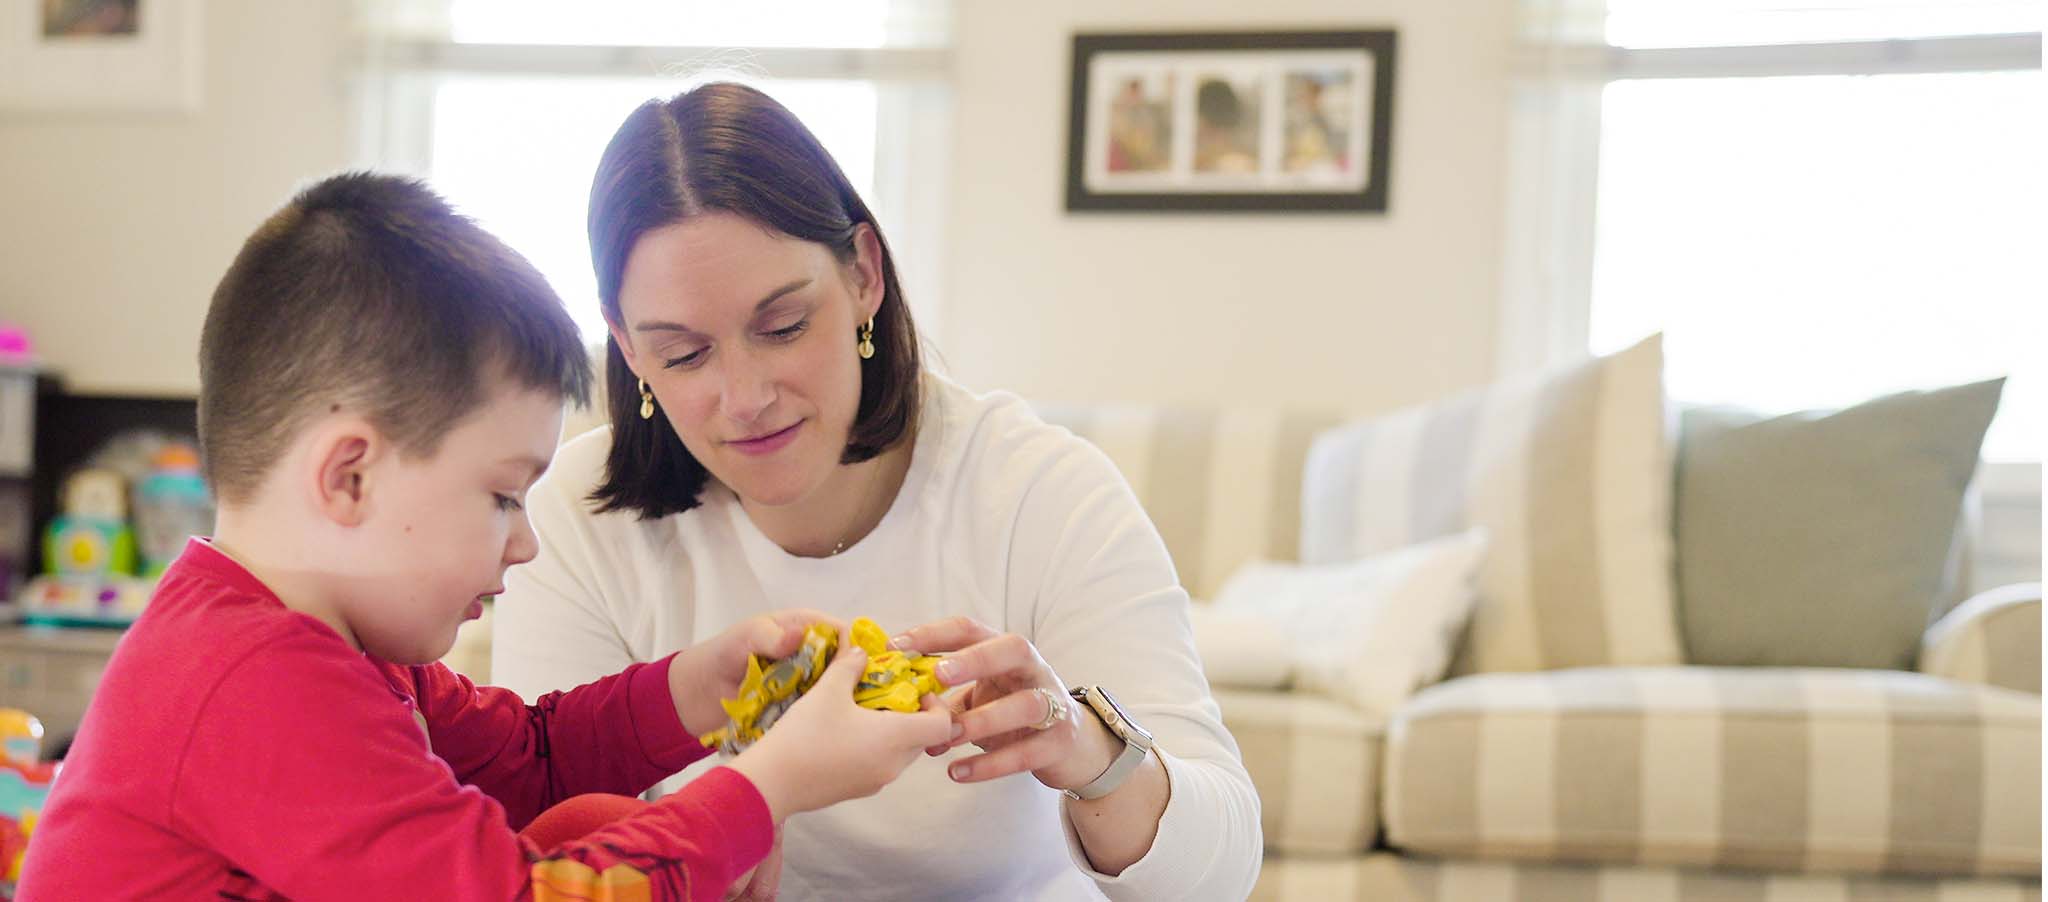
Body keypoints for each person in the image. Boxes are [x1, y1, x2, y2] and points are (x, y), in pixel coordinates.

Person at [18, 173, 951, 901]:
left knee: (585, 816)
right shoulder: (249, 684)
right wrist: (770, 786)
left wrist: (697, 690)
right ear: (350, 477)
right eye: (504, 496)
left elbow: (529, 759)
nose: (525, 544)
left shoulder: (331, 648)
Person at [492, 82, 1263, 901]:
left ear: (864, 273)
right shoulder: (574, 513)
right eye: (683, 354)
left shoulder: (1038, 491)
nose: (744, 396)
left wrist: (1087, 750)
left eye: (782, 327)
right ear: (626, 344)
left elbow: (1218, 876)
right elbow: (542, 839)